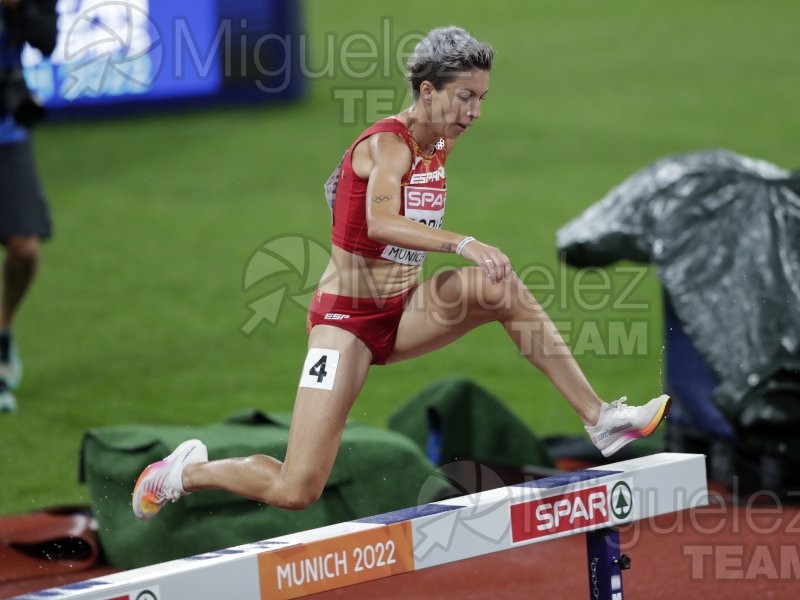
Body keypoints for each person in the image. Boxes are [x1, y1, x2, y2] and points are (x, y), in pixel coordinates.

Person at [132, 26, 670, 519]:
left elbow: (368, 196)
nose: (476, 112)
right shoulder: (387, 144)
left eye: (482, 98)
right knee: (296, 490)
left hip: (406, 309)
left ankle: (599, 417)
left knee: (500, 287)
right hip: (345, 325)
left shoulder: (441, 140)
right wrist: (462, 242)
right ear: (428, 91)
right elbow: (381, 219)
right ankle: (185, 472)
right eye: (466, 97)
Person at [0, 0, 57, 412]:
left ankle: (2, 331)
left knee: (25, 247)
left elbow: (47, 41)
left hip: (6, 128)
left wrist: (18, 9)